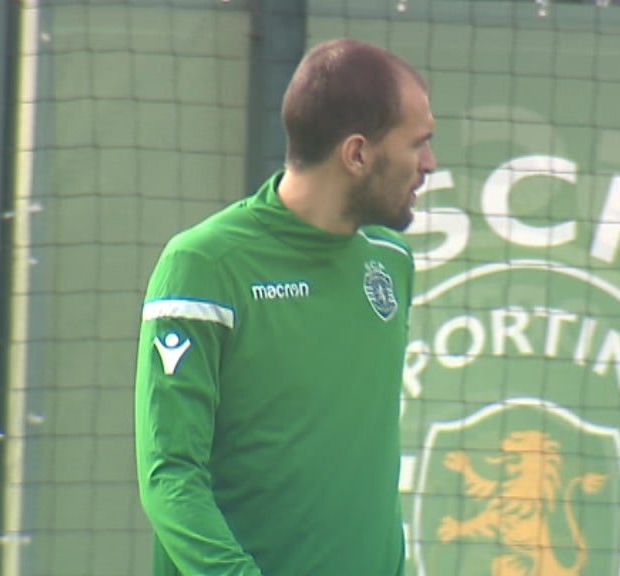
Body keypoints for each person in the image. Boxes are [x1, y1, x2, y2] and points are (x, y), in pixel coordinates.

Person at [134, 37, 436, 576]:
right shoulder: (204, 264)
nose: (429, 164)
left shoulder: (391, 261)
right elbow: (170, 476)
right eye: (418, 145)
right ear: (357, 154)